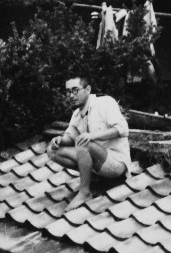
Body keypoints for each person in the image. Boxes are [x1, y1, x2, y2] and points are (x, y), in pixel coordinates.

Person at [47, 74, 130, 211]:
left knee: (83, 143)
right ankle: (93, 178)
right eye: (68, 92)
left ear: (88, 89)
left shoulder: (105, 103)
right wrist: (59, 140)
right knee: (52, 150)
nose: (71, 95)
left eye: (75, 90)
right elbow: (70, 136)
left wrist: (93, 136)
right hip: (97, 164)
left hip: (115, 164)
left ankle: (85, 192)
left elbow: (123, 129)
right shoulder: (77, 114)